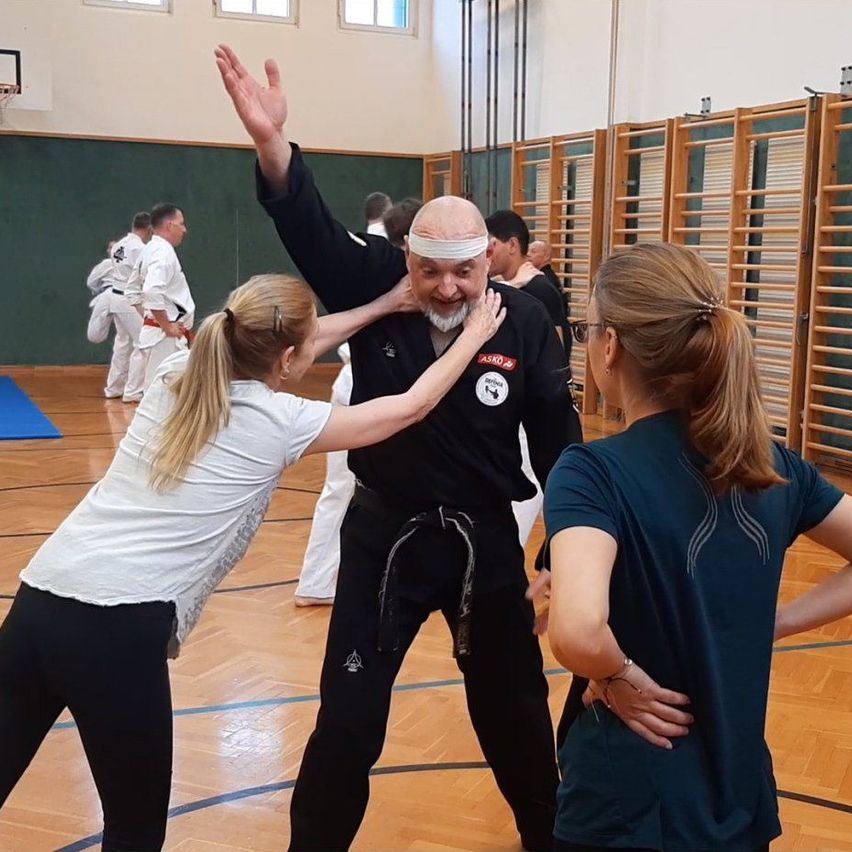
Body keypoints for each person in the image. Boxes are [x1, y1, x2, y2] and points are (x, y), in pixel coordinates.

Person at [216, 43, 582, 852]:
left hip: (485, 542)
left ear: (490, 256)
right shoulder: (376, 281)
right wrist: (275, 146)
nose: (446, 290)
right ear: (406, 258)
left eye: (463, 273)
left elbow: (562, 444)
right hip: (382, 537)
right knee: (347, 723)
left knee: (517, 719)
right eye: (428, 272)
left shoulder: (524, 321)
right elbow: (306, 226)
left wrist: (563, 549)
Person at [0, 273, 505, 852]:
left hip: (39, 600)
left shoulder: (177, 374)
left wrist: (385, 304)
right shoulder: (279, 420)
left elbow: (292, 342)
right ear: (288, 357)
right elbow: (411, 406)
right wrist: (475, 336)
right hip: (116, 628)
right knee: (133, 834)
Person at [544, 242, 852, 852]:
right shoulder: (774, 467)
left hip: (628, 799)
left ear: (611, 346)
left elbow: (578, 632)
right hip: (734, 794)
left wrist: (621, 673)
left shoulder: (591, 470)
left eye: (588, 329)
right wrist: (777, 622)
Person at [296, 198, 422, 607]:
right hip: (365, 386)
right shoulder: (376, 269)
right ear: (409, 243)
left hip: (364, 387)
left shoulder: (380, 264)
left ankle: (325, 578)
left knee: (356, 489)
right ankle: (320, 580)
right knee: (354, 488)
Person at [486, 210, 576, 549]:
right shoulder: (508, 289)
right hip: (510, 399)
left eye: (491, 245)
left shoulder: (539, 289)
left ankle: (533, 552)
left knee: (534, 483)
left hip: (532, 405)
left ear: (512, 245)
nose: (486, 253)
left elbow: (555, 347)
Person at [126, 203, 195, 390]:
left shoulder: (148, 249)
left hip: (159, 334)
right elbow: (151, 290)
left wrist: (151, 318)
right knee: (162, 394)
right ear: (170, 225)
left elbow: (132, 291)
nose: (184, 229)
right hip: (165, 339)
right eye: (181, 224)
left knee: (161, 393)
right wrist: (165, 325)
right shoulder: (162, 252)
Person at [102, 212, 153, 401]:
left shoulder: (118, 245)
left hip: (115, 298)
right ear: (148, 229)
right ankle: (132, 391)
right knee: (142, 344)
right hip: (129, 300)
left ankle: (113, 388)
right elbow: (145, 275)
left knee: (122, 344)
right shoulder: (139, 248)